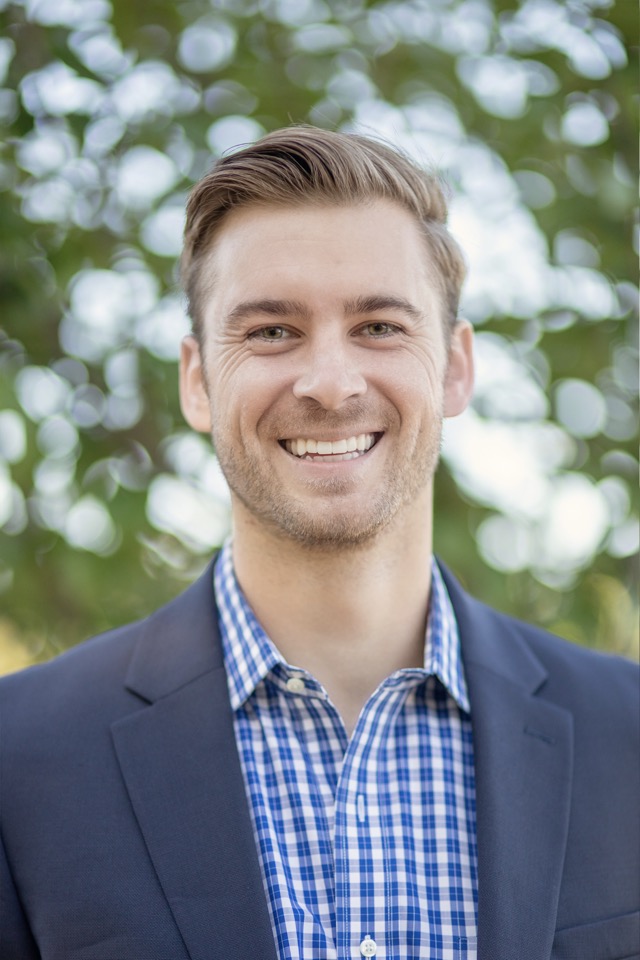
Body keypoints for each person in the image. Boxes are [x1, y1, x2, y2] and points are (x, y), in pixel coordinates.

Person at [0, 127, 638, 960]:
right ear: (197, 380)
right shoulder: (19, 759)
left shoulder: (629, 738)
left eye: (378, 325)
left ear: (454, 367)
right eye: (271, 332)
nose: (331, 384)